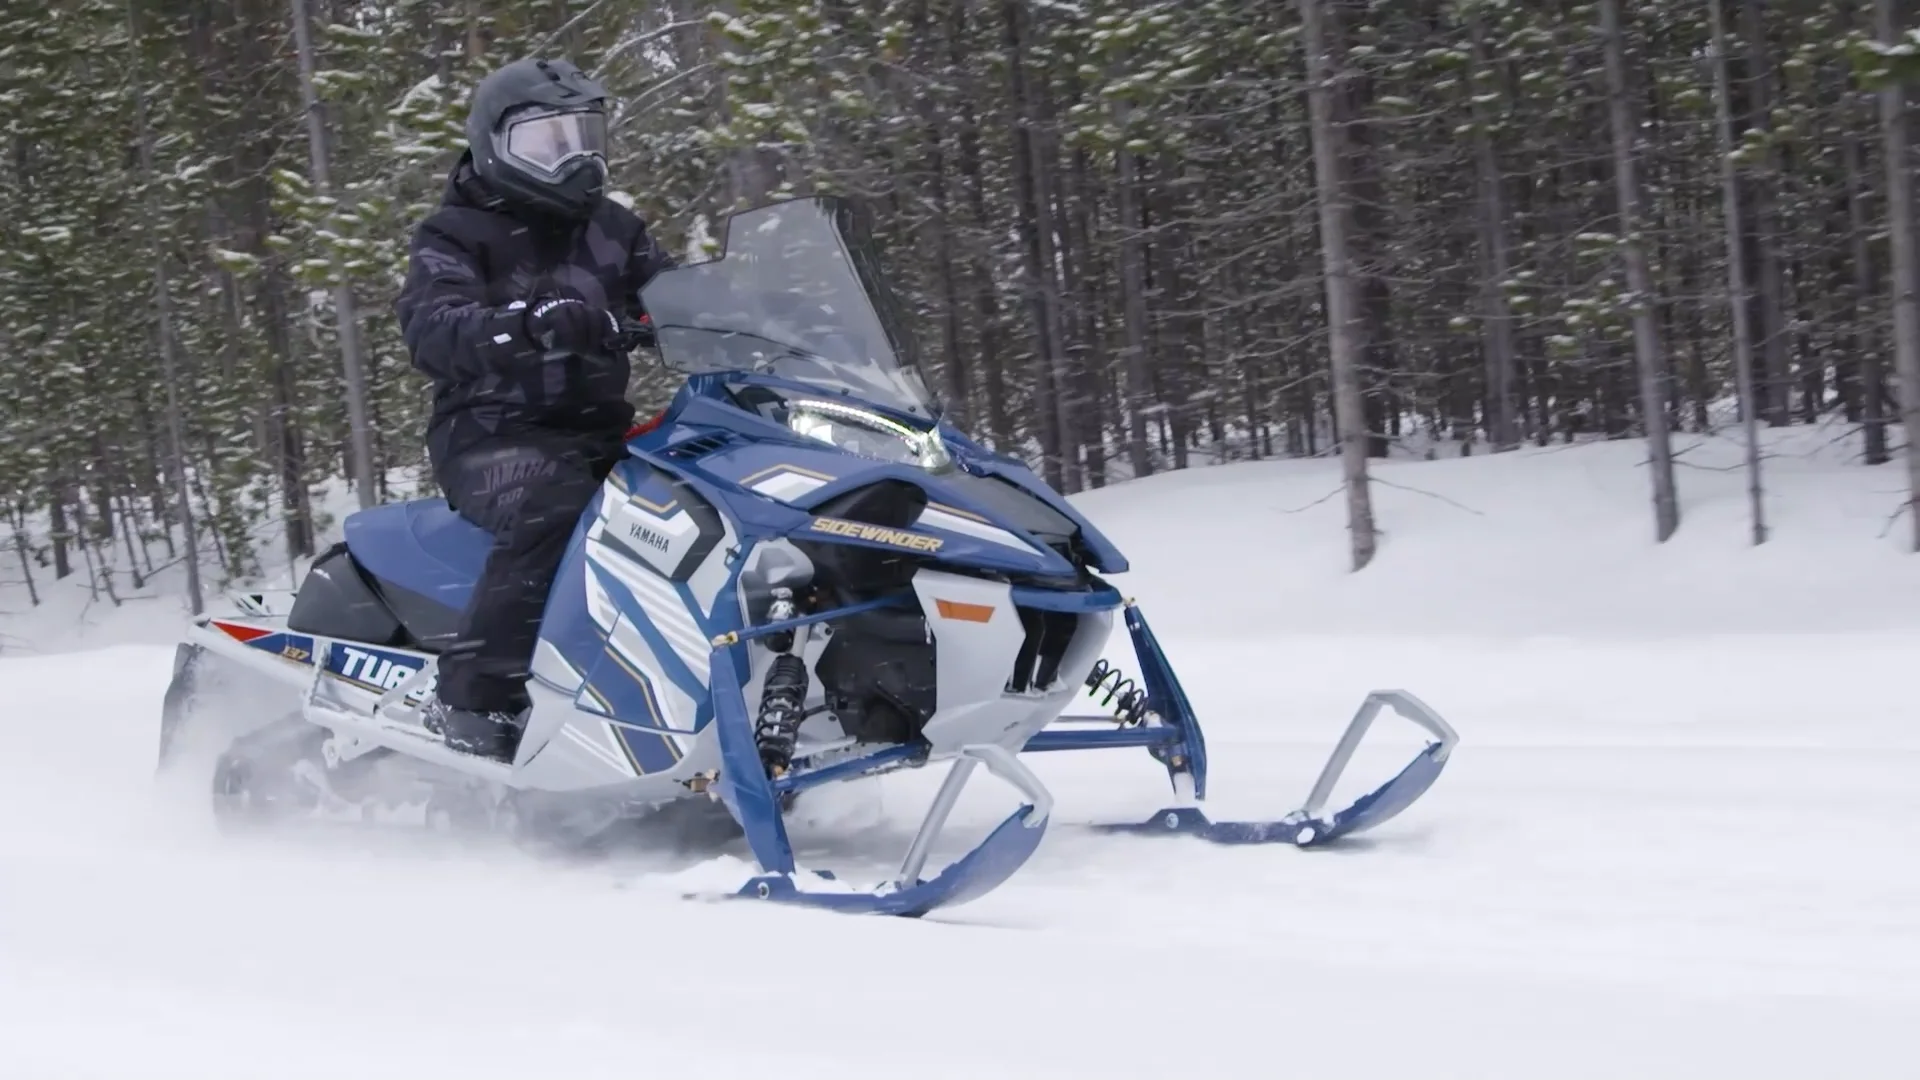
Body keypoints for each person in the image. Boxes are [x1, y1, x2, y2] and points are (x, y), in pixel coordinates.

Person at [394, 56, 675, 763]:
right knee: (557, 504)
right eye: (549, 142)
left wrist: (746, 313)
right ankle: (476, 699)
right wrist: (526, 324)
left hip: (599, 431)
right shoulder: (455, 235)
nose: (575, 158)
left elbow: (679, 296)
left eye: (587, 136)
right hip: (491, 435)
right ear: (496, 145)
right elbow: (435, 328)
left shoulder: (614, 229)